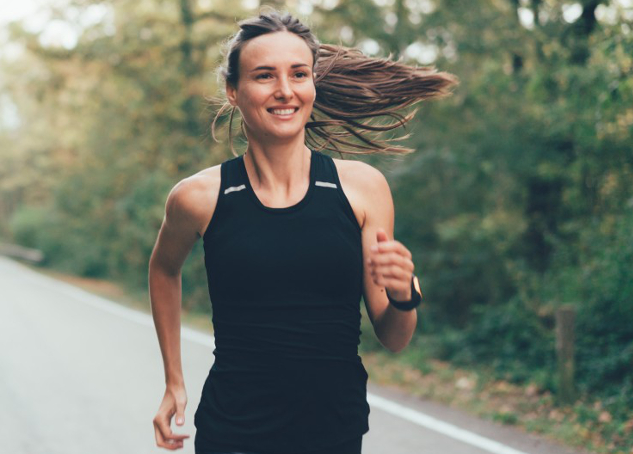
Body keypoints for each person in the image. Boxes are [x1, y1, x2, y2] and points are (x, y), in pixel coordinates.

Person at [148, 10, 457, 454]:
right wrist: (173, 381)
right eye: (264, 75)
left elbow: (393, 336)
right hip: (232, 433)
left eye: (298, 74)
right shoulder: (199, 196)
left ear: (313, 84)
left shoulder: (362, 189)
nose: (285, 91)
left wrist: (404, 293)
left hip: (334, 433)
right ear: (234, 91)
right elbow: (163, 269)